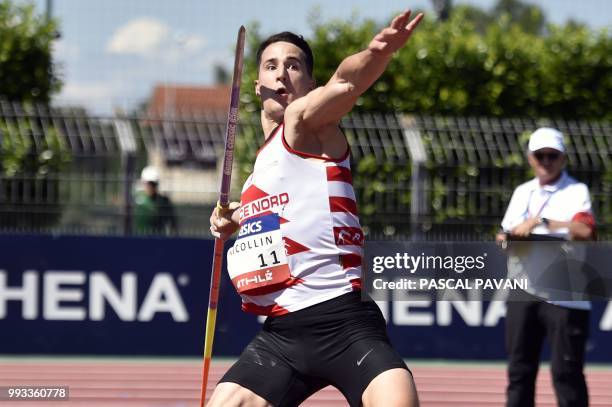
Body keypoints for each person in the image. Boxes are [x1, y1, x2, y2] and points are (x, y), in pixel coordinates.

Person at [208, 10, 423, 407]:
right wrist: (232, 218)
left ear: (309, 84)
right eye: (271, 66)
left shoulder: (306, 123)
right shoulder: (258, 174)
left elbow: (347, 82)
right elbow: (276, 209)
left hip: (345, 322)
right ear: (257, 85)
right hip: (283, 334)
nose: (282, 74)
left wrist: (378, 53)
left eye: (294, 66)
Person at [496, 128, 596, 407]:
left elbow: (585, 230)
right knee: (519, 372)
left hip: (564, 294)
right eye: (540, 155)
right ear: (530, 158)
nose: (546, 161)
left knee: (566, 373)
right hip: (523, 290)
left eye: (552, 155)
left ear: (563, 158)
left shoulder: (576, 191)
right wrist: (511, 236)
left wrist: (542, 223)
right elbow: (505, 233)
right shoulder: (522, 191)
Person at [134, 165, 177, 235]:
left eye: (153, 184)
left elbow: (172, 222)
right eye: (148, 184)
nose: (150, 187)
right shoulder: (136, 200)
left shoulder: (164, 201)